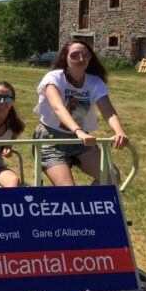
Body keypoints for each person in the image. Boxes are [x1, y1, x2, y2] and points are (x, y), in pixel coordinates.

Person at [33, 39, 129, 186]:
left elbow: (107, 110)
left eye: (85, 54)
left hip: (80, 140)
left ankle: (88, 206)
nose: (81, 58)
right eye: (75, 55)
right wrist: (79, 131)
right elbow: (58, 107)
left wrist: (119, 131)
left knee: (111, 177)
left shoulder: (95, 82)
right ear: (65, 57)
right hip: (51, 139)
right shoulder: (54, 78)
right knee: (69, 191)